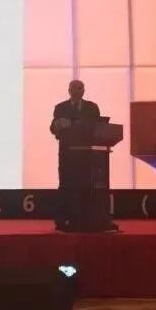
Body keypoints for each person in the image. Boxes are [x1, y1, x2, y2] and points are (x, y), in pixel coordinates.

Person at [50, 80, 100, 229]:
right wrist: (58, 125)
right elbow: (53, 128)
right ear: (69, 91)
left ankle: (86, 218)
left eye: (80, 88)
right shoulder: (60, 107)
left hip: (86, 155)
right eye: (74, 89)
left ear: (84, 90)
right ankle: (64, 219)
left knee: (86, 185)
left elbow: (97, 126)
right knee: (66, 185)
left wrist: (72, 125)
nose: (77, 91)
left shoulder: (92, 107)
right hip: (67, 153)